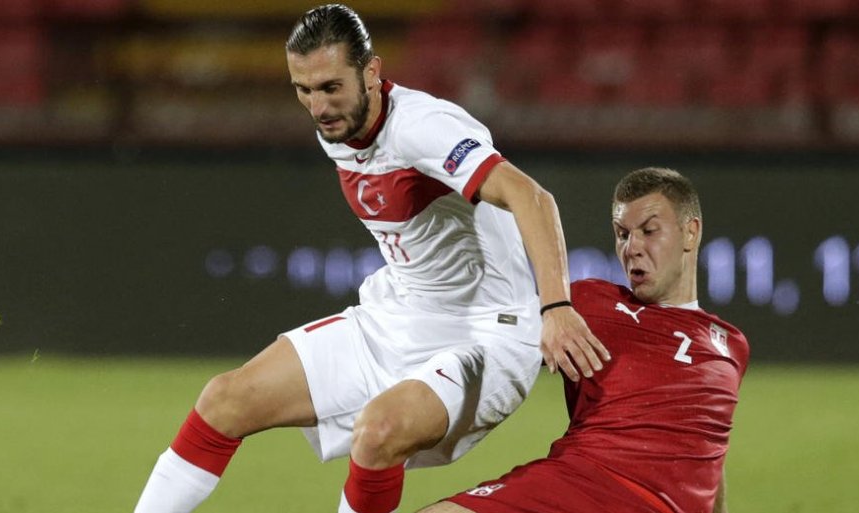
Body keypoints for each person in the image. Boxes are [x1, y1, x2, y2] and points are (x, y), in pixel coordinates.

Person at [132, 4, 611, 513]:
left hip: (487, 332)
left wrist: (556, 307)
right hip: (402, 316)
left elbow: (531, 197)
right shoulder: (339, 126)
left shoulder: (422, 128)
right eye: (303, 90)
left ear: (371, 73)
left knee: (378, 433)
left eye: (331, 87)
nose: (318, 106)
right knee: (224, 400)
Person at [418, 167, 750, 513]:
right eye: (622, 234)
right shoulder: (588, 303)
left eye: (649, 231)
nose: (632, 247)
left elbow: (707, 450)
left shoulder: (732, 344)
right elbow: (496, 338)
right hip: (576, 484)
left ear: (690, 233)